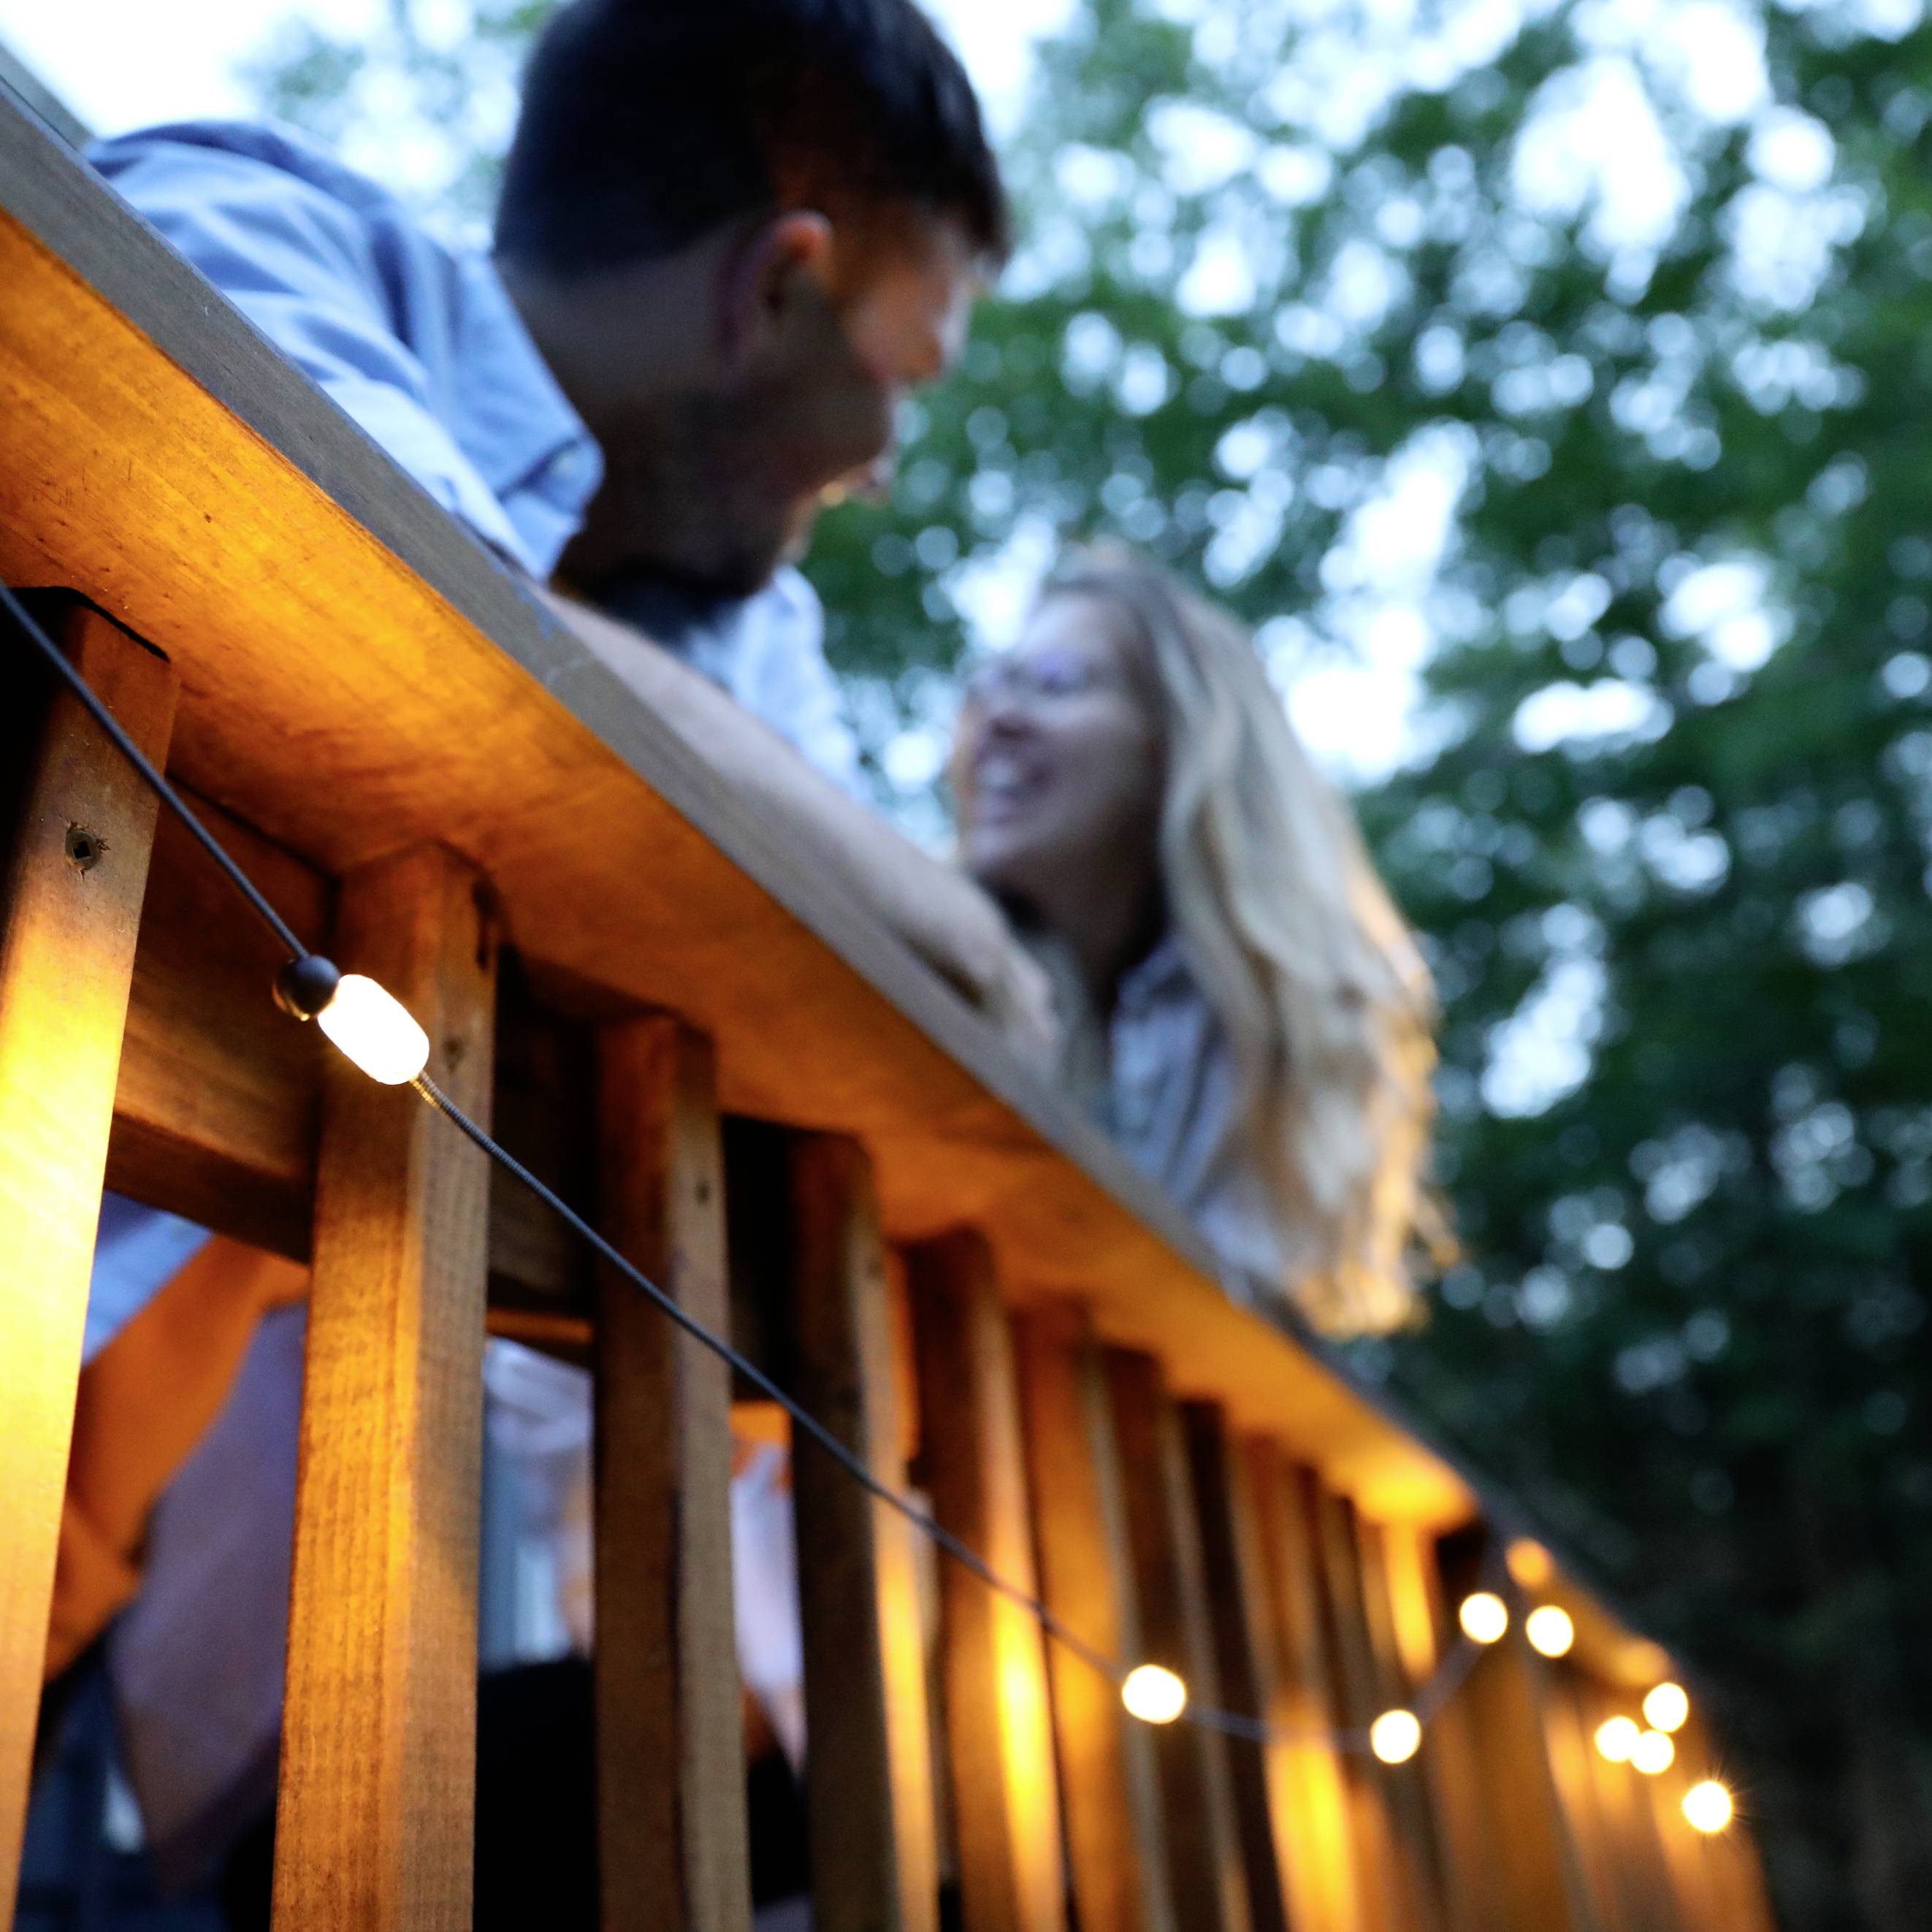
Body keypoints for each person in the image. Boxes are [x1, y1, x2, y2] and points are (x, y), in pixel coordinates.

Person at [48, 0, 1045, 1912]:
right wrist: (854, 877)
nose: (890, 465)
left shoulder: (756, 649)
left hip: (78, 1555)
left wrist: (851, 885)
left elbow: (914, 1012)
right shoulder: (250, 230)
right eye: (903, 382)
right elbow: (417, 639)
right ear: (777, 285)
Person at [953, 546, 1441, 1333]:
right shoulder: (931, 955)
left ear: (1172, 742)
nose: (994, 718)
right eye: (989, 683)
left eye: (1052, 682)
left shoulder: (1288, 1027)